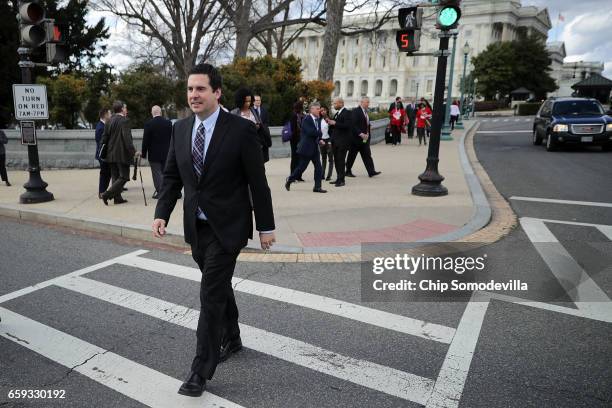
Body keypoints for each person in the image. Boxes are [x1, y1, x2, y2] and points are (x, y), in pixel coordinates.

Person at [152, 63, 276, 397]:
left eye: (201, 89)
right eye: (190, 89)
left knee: (210, 294)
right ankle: (233, 337)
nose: (194, 95)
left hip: (229, 227)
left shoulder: (240, 129)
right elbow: (172, 176)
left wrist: (266, 226)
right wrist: (162, 212)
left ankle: (200, 370)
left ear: (217, 92)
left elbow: (257, 182)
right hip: (197, 228)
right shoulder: (180, 129)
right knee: (218, 286)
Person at [100, 101, 137, 205]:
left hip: (110, 154)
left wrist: (103, 151)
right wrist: (133, 151)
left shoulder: (109, 120)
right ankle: (106, 194)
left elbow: (104, 138)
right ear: (121, 109)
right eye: (125, 108)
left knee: (115, 176)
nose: (126, 110)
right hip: (121, 154)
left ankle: (117, 198)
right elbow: (127, 139)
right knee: (124, 177)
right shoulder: (124, 121)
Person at [285, 101, 327, 193]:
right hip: (306, 148)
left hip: (315, 148)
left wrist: (320, 139)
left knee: (318, 167)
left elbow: (316, 134)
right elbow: (311, 132)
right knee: (301, 168)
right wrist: (320, 133)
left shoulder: (318, 119)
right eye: (317, 109)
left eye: (319, 109)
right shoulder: (307, 119)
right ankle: (290, 179)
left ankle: (317, 187)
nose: (319, 110)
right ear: (312, 109)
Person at [231, 88, 272, 162]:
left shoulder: (254, 111)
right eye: (246, 101)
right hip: (241, 147)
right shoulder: (234, 113)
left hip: (256, 145)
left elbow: (261, 124)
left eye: (249, 101)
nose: (248, 103)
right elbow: (232, 131)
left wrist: (258, 126)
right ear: (240, 100)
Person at [142, 105, 172, 199]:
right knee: (166, 173)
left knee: (157, 174)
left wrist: (143, 154)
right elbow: (172, 138)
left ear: (152, 113)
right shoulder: (168, 123)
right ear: (161, 112)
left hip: (154, 154)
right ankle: (169, 191)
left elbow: (145, 140)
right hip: (167, 153)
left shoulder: (149, 124)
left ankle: (161, 192)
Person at [346, 96, 381, 178]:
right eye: (367, 102)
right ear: (361, 102)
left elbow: (365, 123)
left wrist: (368, 129)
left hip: (365, 139)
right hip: (356, 139)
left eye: (368, 102)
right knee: (352, 156)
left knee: (367, 155)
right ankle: (347, 171)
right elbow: (353, 125)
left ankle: (371, 171)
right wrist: (361, 134)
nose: (368, 104)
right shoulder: (356, 111)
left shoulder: (365, 111)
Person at [326, 97, 351, 187]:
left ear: (341, 103)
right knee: (336, 160)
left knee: (341, 160)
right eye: (333, 103)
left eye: (335, 104)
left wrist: (335, 123)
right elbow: (335, 127)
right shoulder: (337, 113)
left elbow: (347, 126)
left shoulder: (347, 113)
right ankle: (338, 178)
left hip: (342, 142)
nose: (334, 105)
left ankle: (342, 180)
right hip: (335, 141)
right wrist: (330, 123)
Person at [95, 108, 111, 198]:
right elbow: (101, 143)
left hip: (104, 154)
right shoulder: (101, 127)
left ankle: (103, 191)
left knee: (107, 174)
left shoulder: (103, 125)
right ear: (105, 115)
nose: (110, 115)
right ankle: (102, 192)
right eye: (109, 114)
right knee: (105, 174)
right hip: (103, 155)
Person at [289, 101, 305, 181]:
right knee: (295, 158)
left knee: (300, 158)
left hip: (300, 139)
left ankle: (299, 176)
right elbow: (293, 129)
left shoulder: (302, 115)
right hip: (295, 140)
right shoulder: (294, 115)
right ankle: (292, 176)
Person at [319, 106, 334, 181]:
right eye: (321, 111)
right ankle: (322, 174)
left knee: (330, 159)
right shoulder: (319, 120)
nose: (323, 112)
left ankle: (329, 175)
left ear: (327, 110)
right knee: (323, 158)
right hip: (322, 140)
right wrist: (319, 139)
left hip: (329, 140)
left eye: (324, 110)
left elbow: (333, 131)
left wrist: (331, 141)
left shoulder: (331, 119)